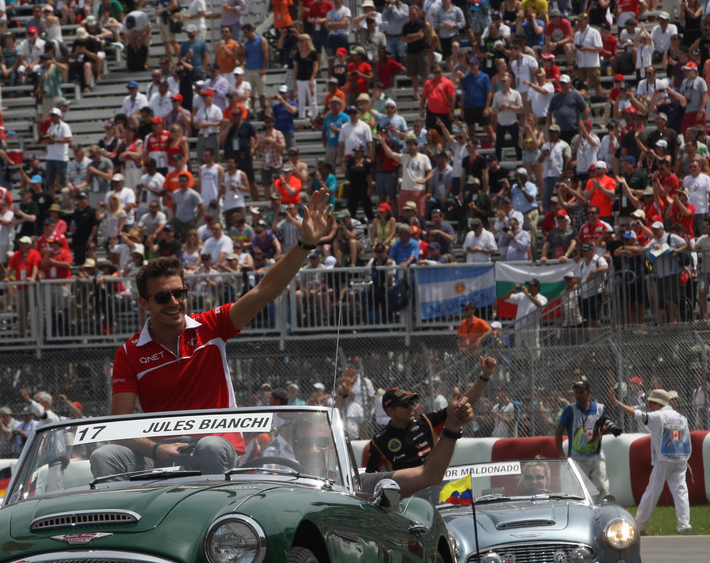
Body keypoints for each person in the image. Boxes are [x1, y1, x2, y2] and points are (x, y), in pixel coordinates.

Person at [93, 190, 333, 477]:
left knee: (208, 447)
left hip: (216, 443)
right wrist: (157, 450)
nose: (173, 302)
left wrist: (305, 244)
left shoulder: (211, 325)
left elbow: (265, 290)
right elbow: (119, 425)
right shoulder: (129, 352)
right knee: (103, 456)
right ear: (143, 303)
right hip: (162, 451)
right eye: (161, 298)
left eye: (179, 293)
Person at [363, 357, 498, 471]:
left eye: (412, 402)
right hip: (405, 498)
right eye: (405, 405)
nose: (411, 407)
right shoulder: (379, 441)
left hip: (435, 490)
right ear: (390, 411)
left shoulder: (426, 422)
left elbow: (460, 405)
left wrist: (484, 376)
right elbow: (370, 480)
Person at [608, 387, 692, 533]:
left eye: (651, 403)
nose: (649, 406)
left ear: (656, 404)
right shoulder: (681, 417)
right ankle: (684, 524)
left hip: (664, 458)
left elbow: (636, 414)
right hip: (681, 458)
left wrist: (618, 403)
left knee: (652, 492)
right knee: (681, 491)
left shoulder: (657, 417)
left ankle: (640, 525)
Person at [554, 378, 615, 500]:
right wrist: (561, 453)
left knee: (602, 487)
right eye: (576, 393)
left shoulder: (599, 409)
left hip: (596, 456)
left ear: (588, 392)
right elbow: (559, 432)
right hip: (578, 458)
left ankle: (602, 511)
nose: (578, 396)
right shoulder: (569, 410)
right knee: (581, 490)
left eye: (581, 392)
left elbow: (603, 427)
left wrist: (605, 430)